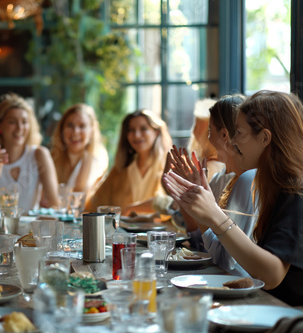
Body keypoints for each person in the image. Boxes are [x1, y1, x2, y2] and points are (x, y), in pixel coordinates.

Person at [163, 90, 303, 306]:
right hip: (266, 307)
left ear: (265, 138)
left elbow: (272, 275)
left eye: (239, 132)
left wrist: (215, 216)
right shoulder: (275, 186)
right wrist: (205, 210)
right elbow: (243, 264)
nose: (233, 141)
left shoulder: (295, 192)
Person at [168, 94, 257, 276]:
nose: (207, 139)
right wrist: (189, 197)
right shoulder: (219, 180)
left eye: (210, 131)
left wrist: (198, 205)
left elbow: (228, 262)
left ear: (224, 135)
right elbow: (204, 246)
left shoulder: (248, 182)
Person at [0, 93, 60, 211]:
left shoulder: (39, 155)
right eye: (12, 122)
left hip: (31, 228)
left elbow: (55, 204)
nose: (20, 127)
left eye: (24, 122)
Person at [86, 109, 172, 214]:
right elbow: (95, 205)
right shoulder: (119, 169)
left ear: (156, 132)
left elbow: (174, 205)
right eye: (131, 130)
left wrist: (132, 208)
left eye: (143, 129)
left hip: (161, 230)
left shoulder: (171, 166)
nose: (136, 135)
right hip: (122, 230)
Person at [50, 103, 108, 202]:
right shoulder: (53, 157)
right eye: (70, 125)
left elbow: (80, 199)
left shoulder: (98, 158)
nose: (75, 132)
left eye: (82, 126)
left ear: (91, 131)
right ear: (62, 129)